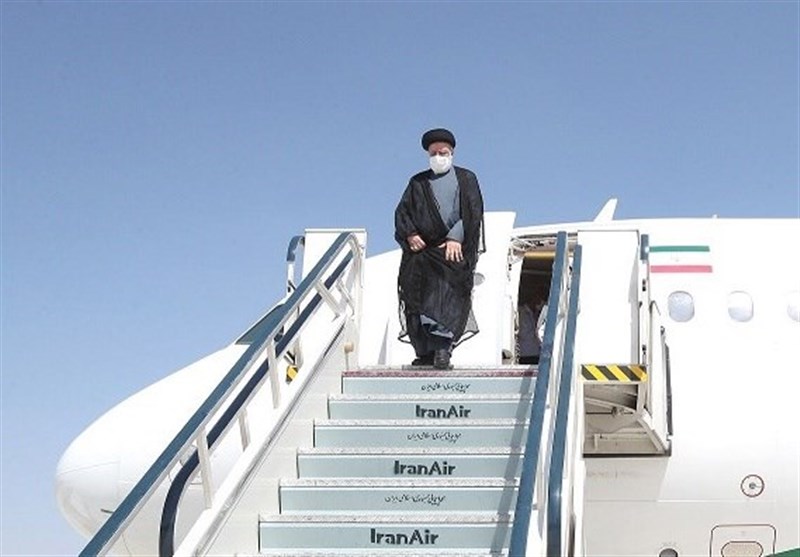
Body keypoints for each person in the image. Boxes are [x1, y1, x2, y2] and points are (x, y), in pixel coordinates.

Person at [394, 128, 484, 369]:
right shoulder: (417, 182)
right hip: (421, 254)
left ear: (451, 153)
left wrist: (455, 237)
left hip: (451, 253)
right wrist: (411, 233)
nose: (438, 157)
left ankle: (442, 349)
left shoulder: (466, 178)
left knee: (445, 300)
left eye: (442, 152)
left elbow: (473, 213)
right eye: (433, 153)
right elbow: (403, 212)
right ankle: (424, 352)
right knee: (416, 301)